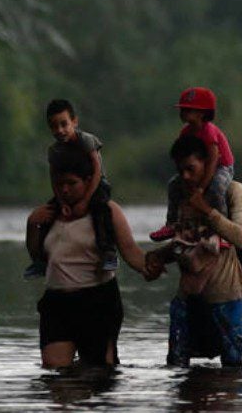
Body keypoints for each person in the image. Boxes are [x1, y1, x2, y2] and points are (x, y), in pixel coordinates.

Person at [26, 145, 158, 370]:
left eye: (72, 183)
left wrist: (149, 267)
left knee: (98, 372)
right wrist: (32, 225)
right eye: (60, 184)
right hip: (57, 303)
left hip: (97, 301)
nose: (65, 190)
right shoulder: (48, 214)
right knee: (54, 369)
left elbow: (131, 252)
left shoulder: (107, 212)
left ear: (88, 181)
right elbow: (38, 256)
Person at [147, 133, 242, 368]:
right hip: (188, 296)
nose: (185, 176)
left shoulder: (233, 191)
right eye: (180, 170)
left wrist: (207, 210)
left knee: (232, 370)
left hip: (226, 296)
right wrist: (158, 256)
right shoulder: (179, 191)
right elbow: (184, 240)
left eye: (191, 169)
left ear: (208, 164)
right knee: (177, 367)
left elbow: (241, 238)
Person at [24, 98, 115, 279]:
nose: (60, 130)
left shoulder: (85, 141)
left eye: (64, 124)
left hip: (96, 184)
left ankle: (109, 253)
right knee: (48, 214)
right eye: (54, 126)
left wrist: (85, 201)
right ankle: (40, 261)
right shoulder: (54, 151)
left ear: (74, 122)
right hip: (68, 189)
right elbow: (53, 177)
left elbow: (97, 170)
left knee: (101, 210)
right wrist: (61, 201)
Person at [151, 86, 237, 241]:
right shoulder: (186, 132)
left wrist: (201, 188)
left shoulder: (209, 131)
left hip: (221, 166)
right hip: (196, 168)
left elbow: (212, 160)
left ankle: (221, 229)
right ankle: (171, 224)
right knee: (173, 185)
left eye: (187, 110)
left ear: (201, 113)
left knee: (217, 187)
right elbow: (181, 156)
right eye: (182, 110)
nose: (182, 113)